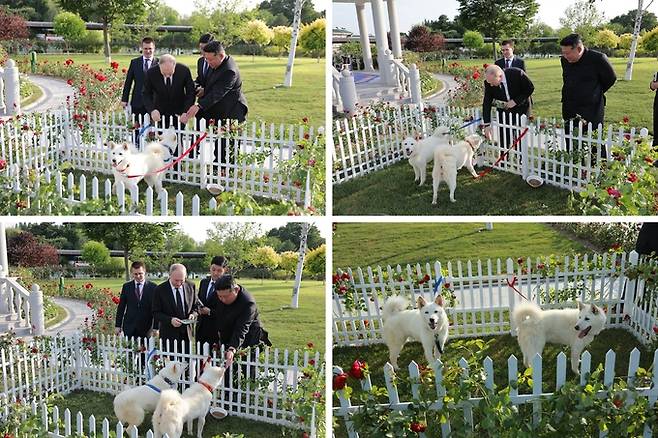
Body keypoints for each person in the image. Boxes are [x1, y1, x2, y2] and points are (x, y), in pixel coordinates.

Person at [183, 41, 248, 166]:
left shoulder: (230, 71)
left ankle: (226, 171)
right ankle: (197, 154)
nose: (207, 62)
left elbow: (218, 92)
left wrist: (198, 105)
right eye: (205, 59)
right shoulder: (214, 64)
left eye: (210, 59)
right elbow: (203, 81)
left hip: (233, 111)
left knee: (226, 146)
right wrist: (198, 88)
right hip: (218, 108)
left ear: (221, 56)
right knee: (203, 125)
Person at [560, 33, 616, 152]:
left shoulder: (598, 59)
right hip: (569, 106)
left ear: (579, 49)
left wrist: (594, 93)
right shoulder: (565, 61)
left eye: (567, 53)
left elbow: (610, 79)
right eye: (563, 53)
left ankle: (599, 168)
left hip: (592, 108)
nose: (565, 56)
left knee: (595, 141)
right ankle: (574, 167)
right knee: (571, 140)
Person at [482, 64, 535, 148]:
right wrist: (487, 124)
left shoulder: (517, 73)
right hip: (504, 111)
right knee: (504, 136)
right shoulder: (488, 82)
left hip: (521, 108)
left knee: (519, 135)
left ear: (499, 76)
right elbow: (486, 102)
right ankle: (504, 158)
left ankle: (520, 158)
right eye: (489, 82)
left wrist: (515, 101)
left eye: (492, 82)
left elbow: (530, 88)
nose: (491, 85)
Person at [152, 263, 198, 353]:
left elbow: (195, 306)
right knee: (171, 365)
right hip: (169, 335)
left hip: (186, 334)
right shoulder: (160, 290)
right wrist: (170, 320)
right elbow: (155, 312)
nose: (179, 283)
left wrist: (193, 314)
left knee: (186, 364)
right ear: (170, 276)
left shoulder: (191, 286)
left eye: (182, 280)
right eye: (176, 280)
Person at [142, 53, 196, 130]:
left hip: (179, 112)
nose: (167, 76)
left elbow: (190, 92)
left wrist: (186, 111)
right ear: (159, 66)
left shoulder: (184, 71)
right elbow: (146, 93)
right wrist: (152, 110)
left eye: (170, 73)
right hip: (160, 112)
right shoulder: (151, 73)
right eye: (164, 73)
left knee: (178, 137)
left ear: (175, 66)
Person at [114, 261, 157, 340]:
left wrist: (156, 327)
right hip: (129, 327)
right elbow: (121, 307)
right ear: (132, 273)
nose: (138, 276)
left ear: (145, 272)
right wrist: (118, 325)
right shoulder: (126, 287)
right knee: (129, 351)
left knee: (145, 351)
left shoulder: (153, 288)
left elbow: (156, 309)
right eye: (135, 274)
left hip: (146, 328)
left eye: (140, 273)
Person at [196, 255, 229, 349]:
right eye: (213, 269)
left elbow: (227, 310)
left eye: (219, 271)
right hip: (201, 328)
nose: (215, 273)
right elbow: (199, 300)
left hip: (217, 329)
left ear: (225, 270)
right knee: (200, 358)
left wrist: (209, 311)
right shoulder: (204, 282)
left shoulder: (228, 286)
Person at [121, 37, 158, 118]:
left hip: (154, 103)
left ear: (154, 48)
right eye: (145, 48)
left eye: (150, 48)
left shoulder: (159, 63)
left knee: (154, 129)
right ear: (142, 48)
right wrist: (124, 99)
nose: (148, 51)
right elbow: (128, 82)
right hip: (137, 101)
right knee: (137, 127)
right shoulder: (134, 63)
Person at [195, 33, 215, 98]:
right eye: (200, 48)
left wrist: (205, 91)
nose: (202, 51)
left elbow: (220, 85)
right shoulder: (200, 61)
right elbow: (201, 79)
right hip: (203, 100)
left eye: (204, 48)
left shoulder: (218, 62)